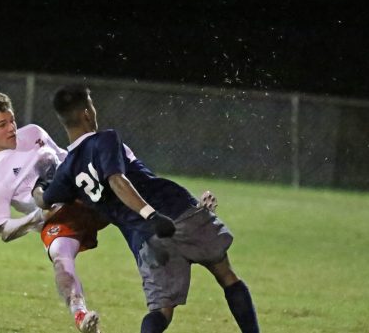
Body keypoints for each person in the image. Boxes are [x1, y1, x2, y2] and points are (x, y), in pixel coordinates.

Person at [38, 84, 260, 333]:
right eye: (92, 104)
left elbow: (45, 200)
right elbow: (117, 180)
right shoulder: (105, 139)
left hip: (145, 240)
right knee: (226, 276)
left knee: (161, 312)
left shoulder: (67, 170)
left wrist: (38, 184)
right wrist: (151, 214)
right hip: (175, 213)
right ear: (87, 114)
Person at [0, 91, 107, 333]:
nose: (12, 128)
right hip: (57, 218)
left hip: (83, 192)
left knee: (127, 186)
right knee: (60, 256)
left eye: (12, 120)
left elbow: (65, 156)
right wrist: (39, 217)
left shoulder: (33, 132)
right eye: (2, 125)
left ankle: (184, 213)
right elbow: (3, 229)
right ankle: (81, 316)